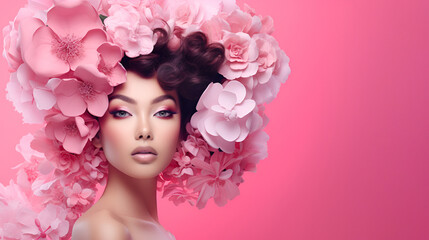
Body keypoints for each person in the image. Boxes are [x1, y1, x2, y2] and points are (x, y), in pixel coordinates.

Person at [0, 0, 290, 239]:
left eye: (163, 112)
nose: (144, 130)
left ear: (183, 129)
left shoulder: (141, 228)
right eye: (122, 112)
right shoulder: (107, 230)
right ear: (95, 131)